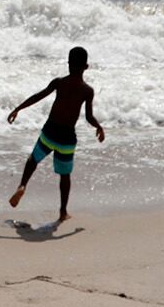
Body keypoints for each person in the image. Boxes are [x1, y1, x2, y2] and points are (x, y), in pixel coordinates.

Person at [6, 46, 103, 221]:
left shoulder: (59, 83)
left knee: (33, 160)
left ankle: (22, 186)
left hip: (50, 131)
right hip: (67, 138)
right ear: (86, 67)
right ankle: (63, 212)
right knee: (64, 176)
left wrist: (18, 108)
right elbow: (88, 116)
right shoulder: (87, 91)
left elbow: (39, 96)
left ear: (68, 64)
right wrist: (99, 127)